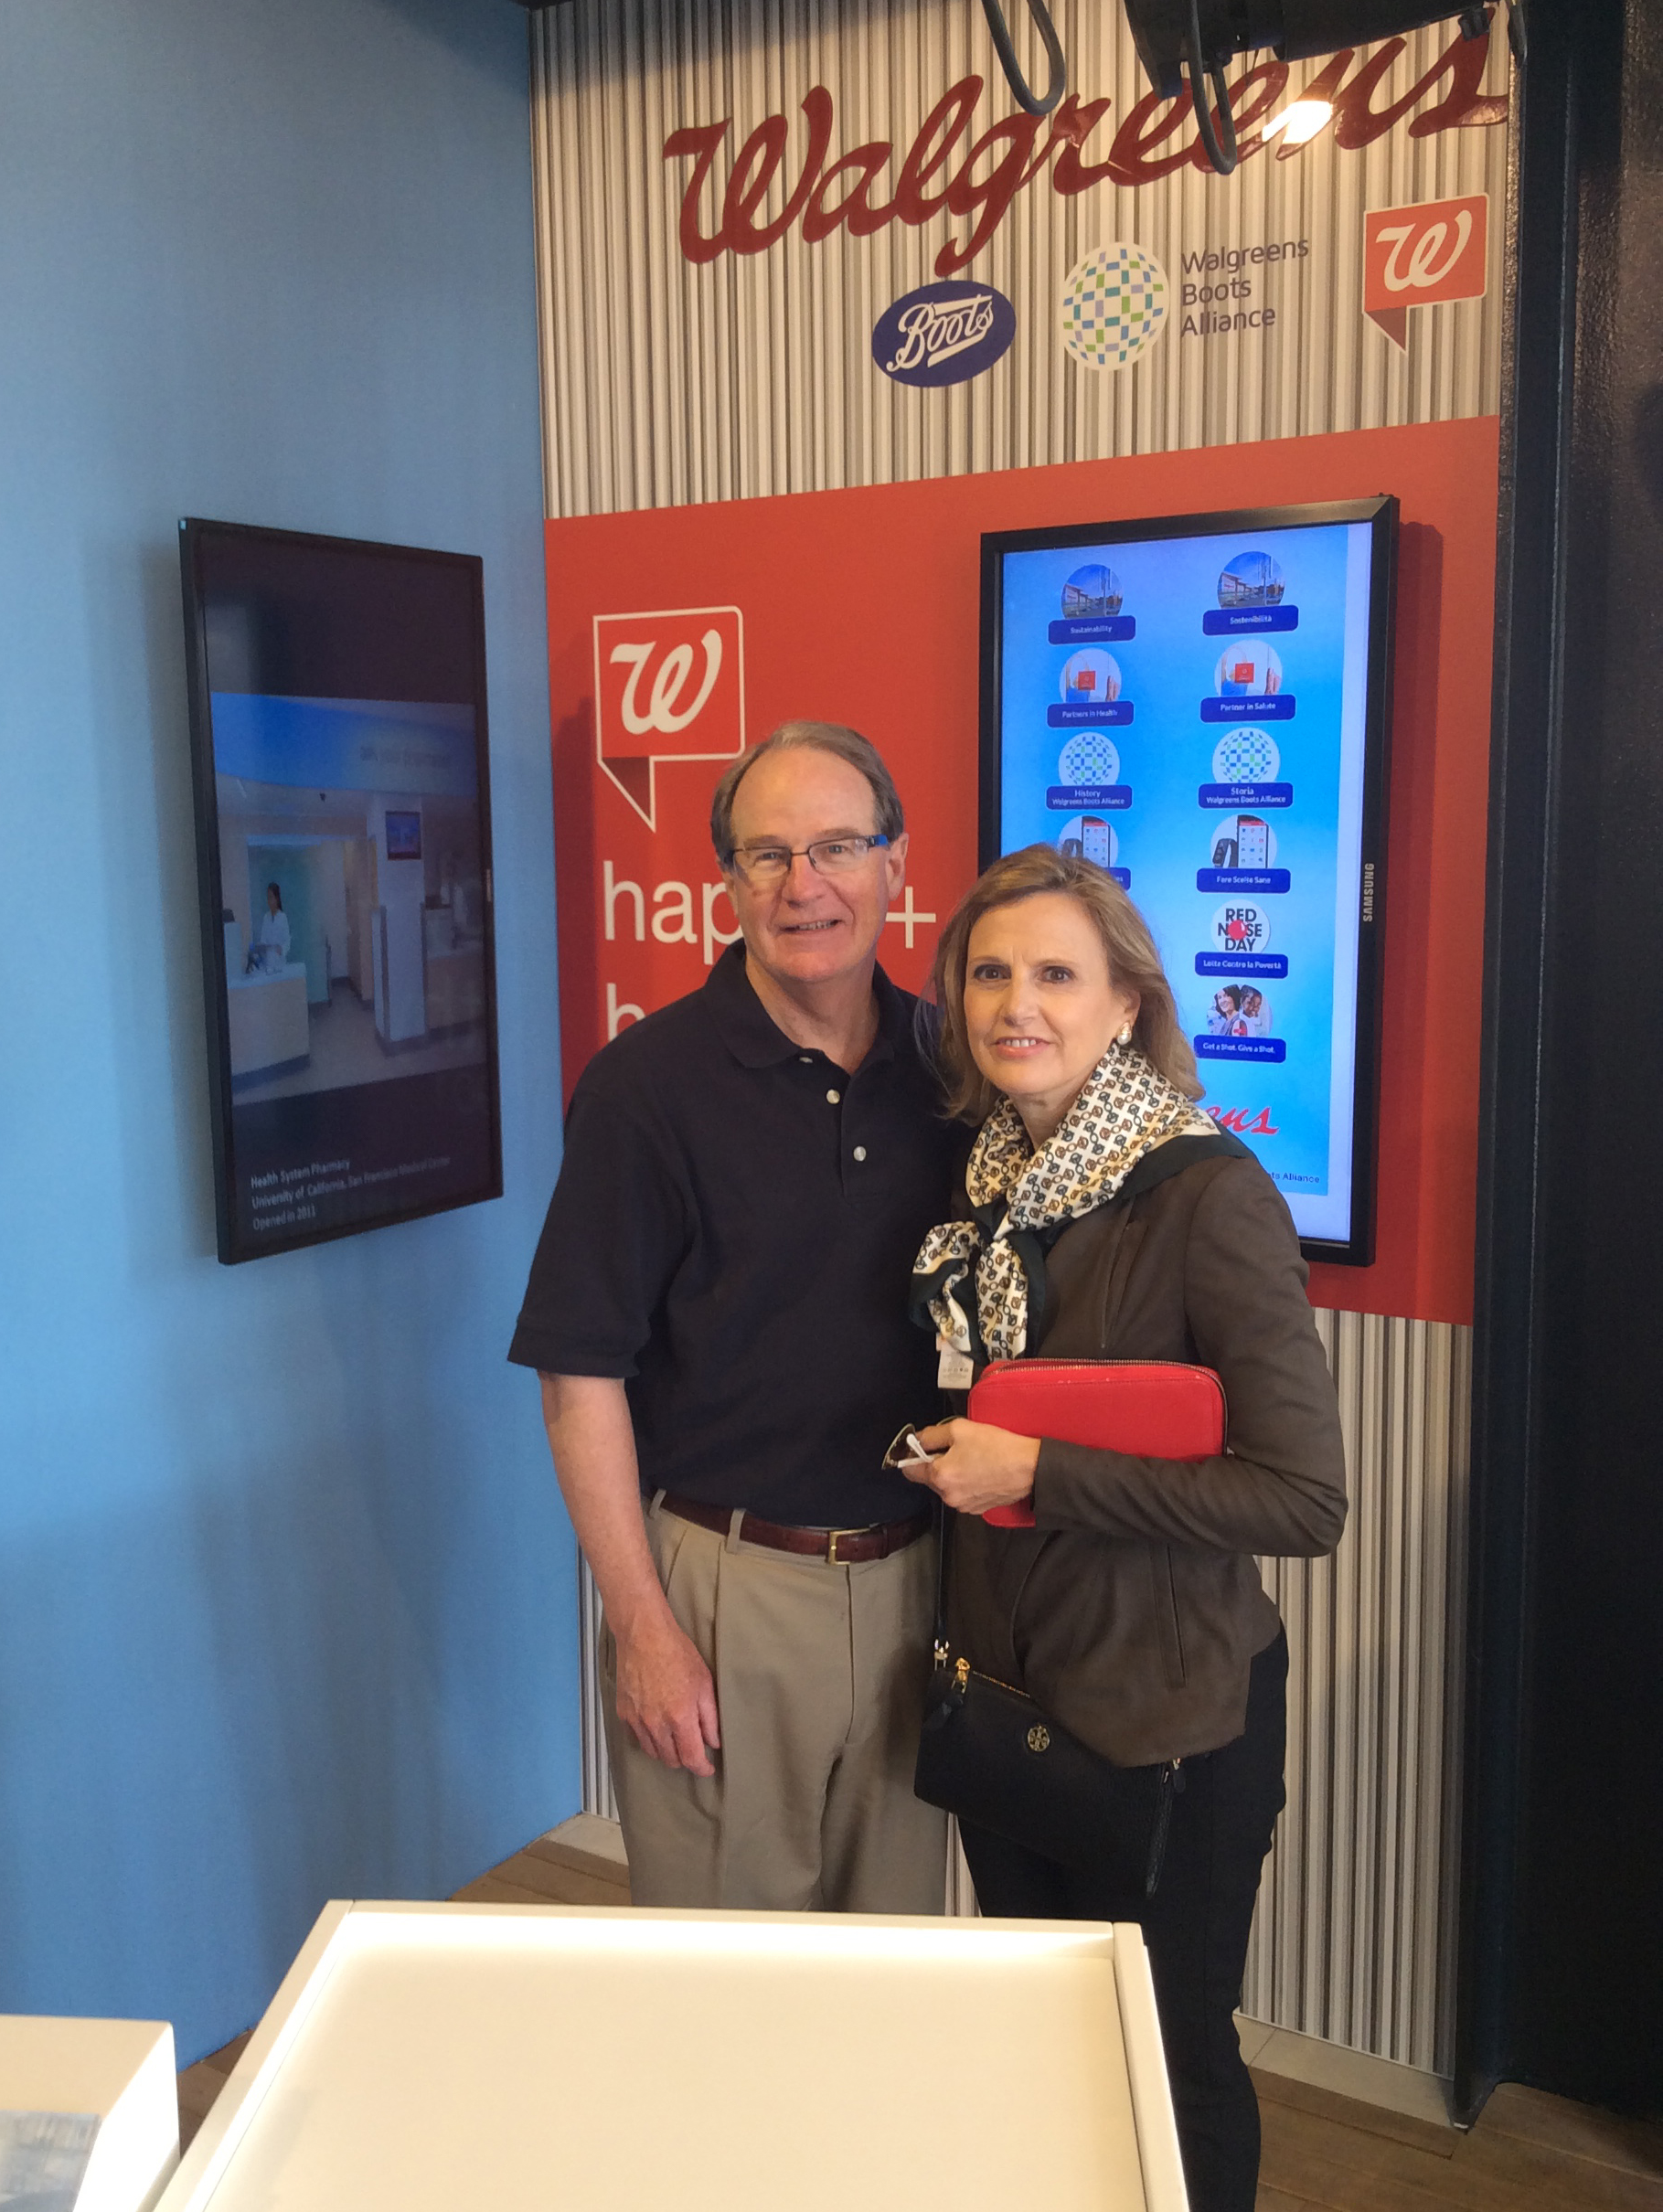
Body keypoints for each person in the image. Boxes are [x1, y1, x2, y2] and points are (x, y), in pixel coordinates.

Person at [901, 844, 1346, 2212]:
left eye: (1055, 973)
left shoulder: (1208, 1194)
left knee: (1168, 2061)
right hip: (1007, 1700)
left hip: (1166, 1725)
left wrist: (1041, 1467)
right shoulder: (993, 1180)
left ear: (1126, 1003)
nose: (1016, 1004)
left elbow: (1303, 1497)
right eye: (990, 973)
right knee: (1049, 2047)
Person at [509, 721, 962, 1912]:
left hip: (918, 1583)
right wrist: (643, 1631)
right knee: (728, 1980)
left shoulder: (954, 1069)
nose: (803, 885)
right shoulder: (645, 1087)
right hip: (725, 1593)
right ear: (728, 881)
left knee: (897, 1969)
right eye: (767, 855)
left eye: (836, 847)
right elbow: (576, 1376)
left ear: (895, 862)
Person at [255, 882, 290, 970]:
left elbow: (287, 941)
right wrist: (263, 947)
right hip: (268, 962)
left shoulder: (282, 917)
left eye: (271, 897)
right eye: (268, 898)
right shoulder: (266, 917)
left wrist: (281, 949)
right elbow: (263, 939)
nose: (269, 901)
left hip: (280, 962)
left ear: (276, 899)